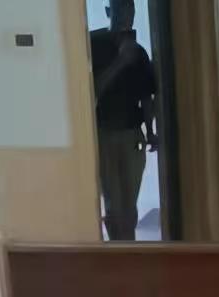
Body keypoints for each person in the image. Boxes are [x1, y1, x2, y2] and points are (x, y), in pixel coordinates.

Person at [89, 0, 157, 241]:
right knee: (112, 201)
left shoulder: (138, 52)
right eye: (120, 9)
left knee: (129, 201)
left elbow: (146, 96)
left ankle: (128, 246)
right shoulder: (93, 44)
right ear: (108, 12)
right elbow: (92, 91)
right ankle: (118, 248)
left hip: (132, 134)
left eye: (130, 10)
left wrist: (151, 131)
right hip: (104, 134)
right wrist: (120, 62)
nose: (127, 15)